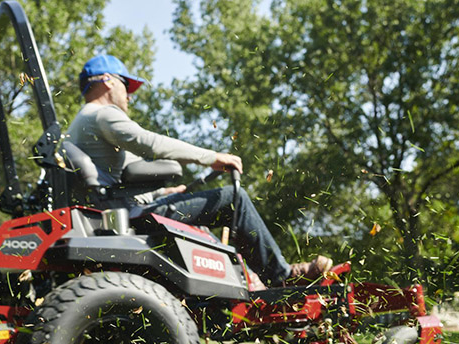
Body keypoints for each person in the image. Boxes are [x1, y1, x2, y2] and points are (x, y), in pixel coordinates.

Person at [65, 54, 332, 287]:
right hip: (127, 215)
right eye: (126, 85)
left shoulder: (81, 122)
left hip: (118, 211)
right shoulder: (103, 114)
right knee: (231, 199)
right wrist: (211, 157)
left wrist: (162, 192)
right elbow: (151, 144)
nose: (130, 95)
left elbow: (113, 181)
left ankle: (250, 281)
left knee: (204, 218)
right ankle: (281, 276)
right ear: (108, 80)